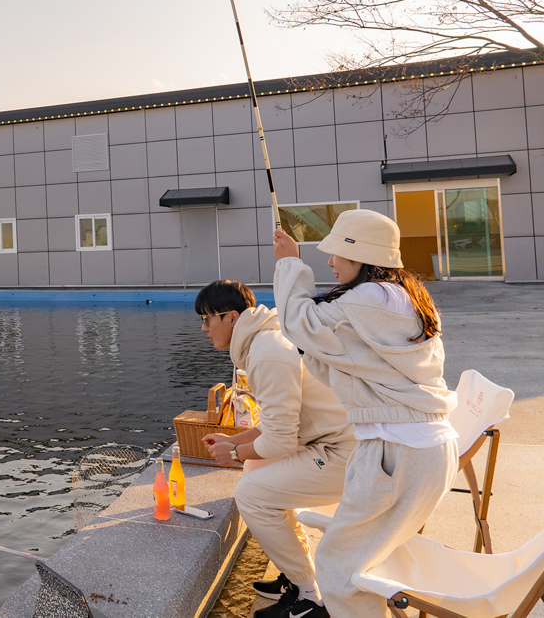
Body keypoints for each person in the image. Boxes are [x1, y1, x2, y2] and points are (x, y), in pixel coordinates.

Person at [272, 209, 458, 618]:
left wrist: (289, 261)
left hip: (400, 452)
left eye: (338, 252)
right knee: (355, 566)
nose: (330, 261)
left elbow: (299, 323)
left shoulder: (371, 298)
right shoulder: (401, 294)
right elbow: (338, 354)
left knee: (340, 569)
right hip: (413, 449)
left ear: (363, 255)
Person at [196, 280, 356, 618]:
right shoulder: (265, 341)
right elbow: (277, 423)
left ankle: (313, 597)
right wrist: (233, 441)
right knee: (259, 473)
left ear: (232, 318)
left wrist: (236, 454)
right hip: (333, 444)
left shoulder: (267, 353)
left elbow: (281, 440)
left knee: (252, 493)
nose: (204, 328)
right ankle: (297, 575)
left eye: (208, 319)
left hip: (345, 456)